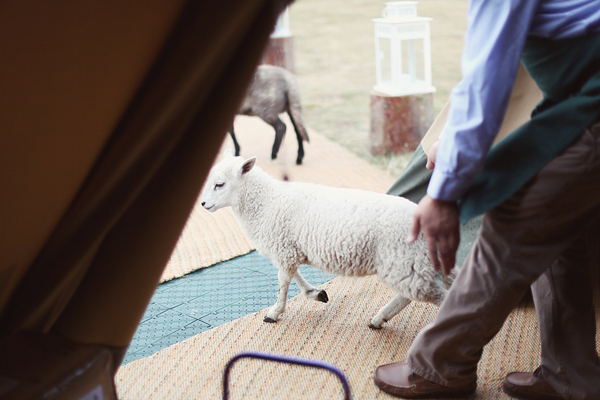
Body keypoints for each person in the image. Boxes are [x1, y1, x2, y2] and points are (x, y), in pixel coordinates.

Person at [373, 1, 600, 399]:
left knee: (513, 220)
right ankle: (570, 373)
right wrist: (454, 139)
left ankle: (438, 368)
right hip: (581, 104)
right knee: (560, 228)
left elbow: (488, 76)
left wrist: (443, 192)